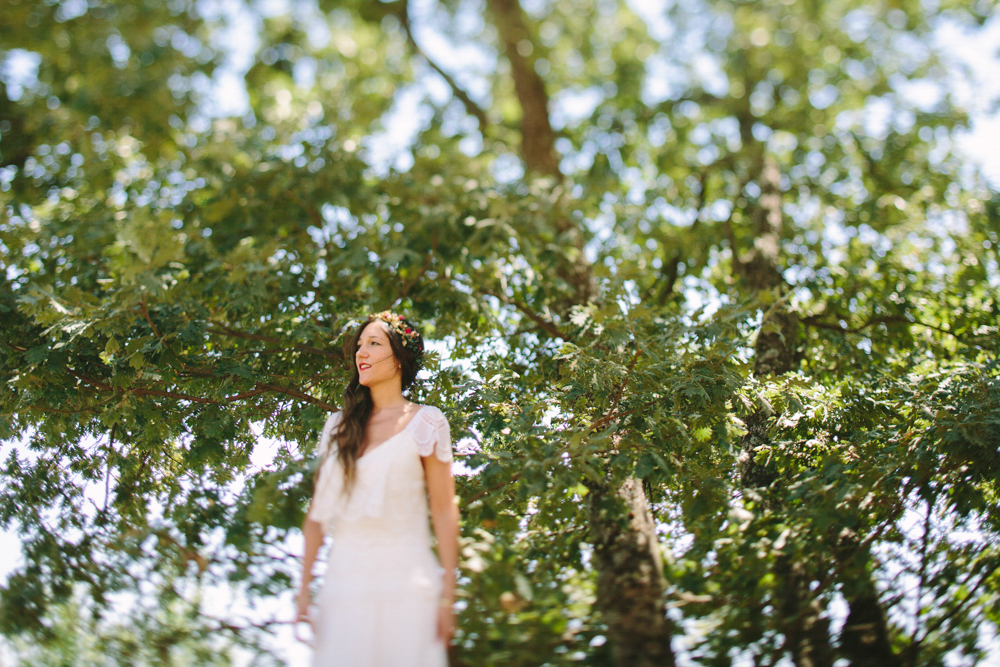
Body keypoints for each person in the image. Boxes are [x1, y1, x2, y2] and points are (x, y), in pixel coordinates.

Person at [296, 311, 459, 667]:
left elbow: (445, 512)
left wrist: (448, 596)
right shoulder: (337, 428)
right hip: (345, 584)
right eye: (359, 345)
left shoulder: (428, 422)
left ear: (399, 357)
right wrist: (304, 590)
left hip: (407, 583)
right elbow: (318, 516)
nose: (361, 353)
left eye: (373, 343)